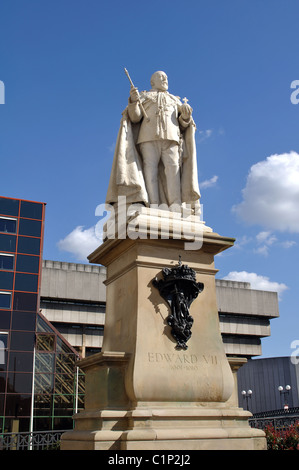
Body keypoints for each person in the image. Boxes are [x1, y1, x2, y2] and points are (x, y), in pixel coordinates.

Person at [106, 71, 200, 213]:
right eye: (161, 77)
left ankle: (175, 204)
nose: (165, 79)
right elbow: (135, 117)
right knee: (150, 170)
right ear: (152, 82)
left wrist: (186, 116)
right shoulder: (144, 96)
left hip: (171, 138)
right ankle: (153, 204)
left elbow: (183, 125)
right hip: (147, 138)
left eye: (166, 77)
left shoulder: (175, 100)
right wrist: (133, 102)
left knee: (173, 169)